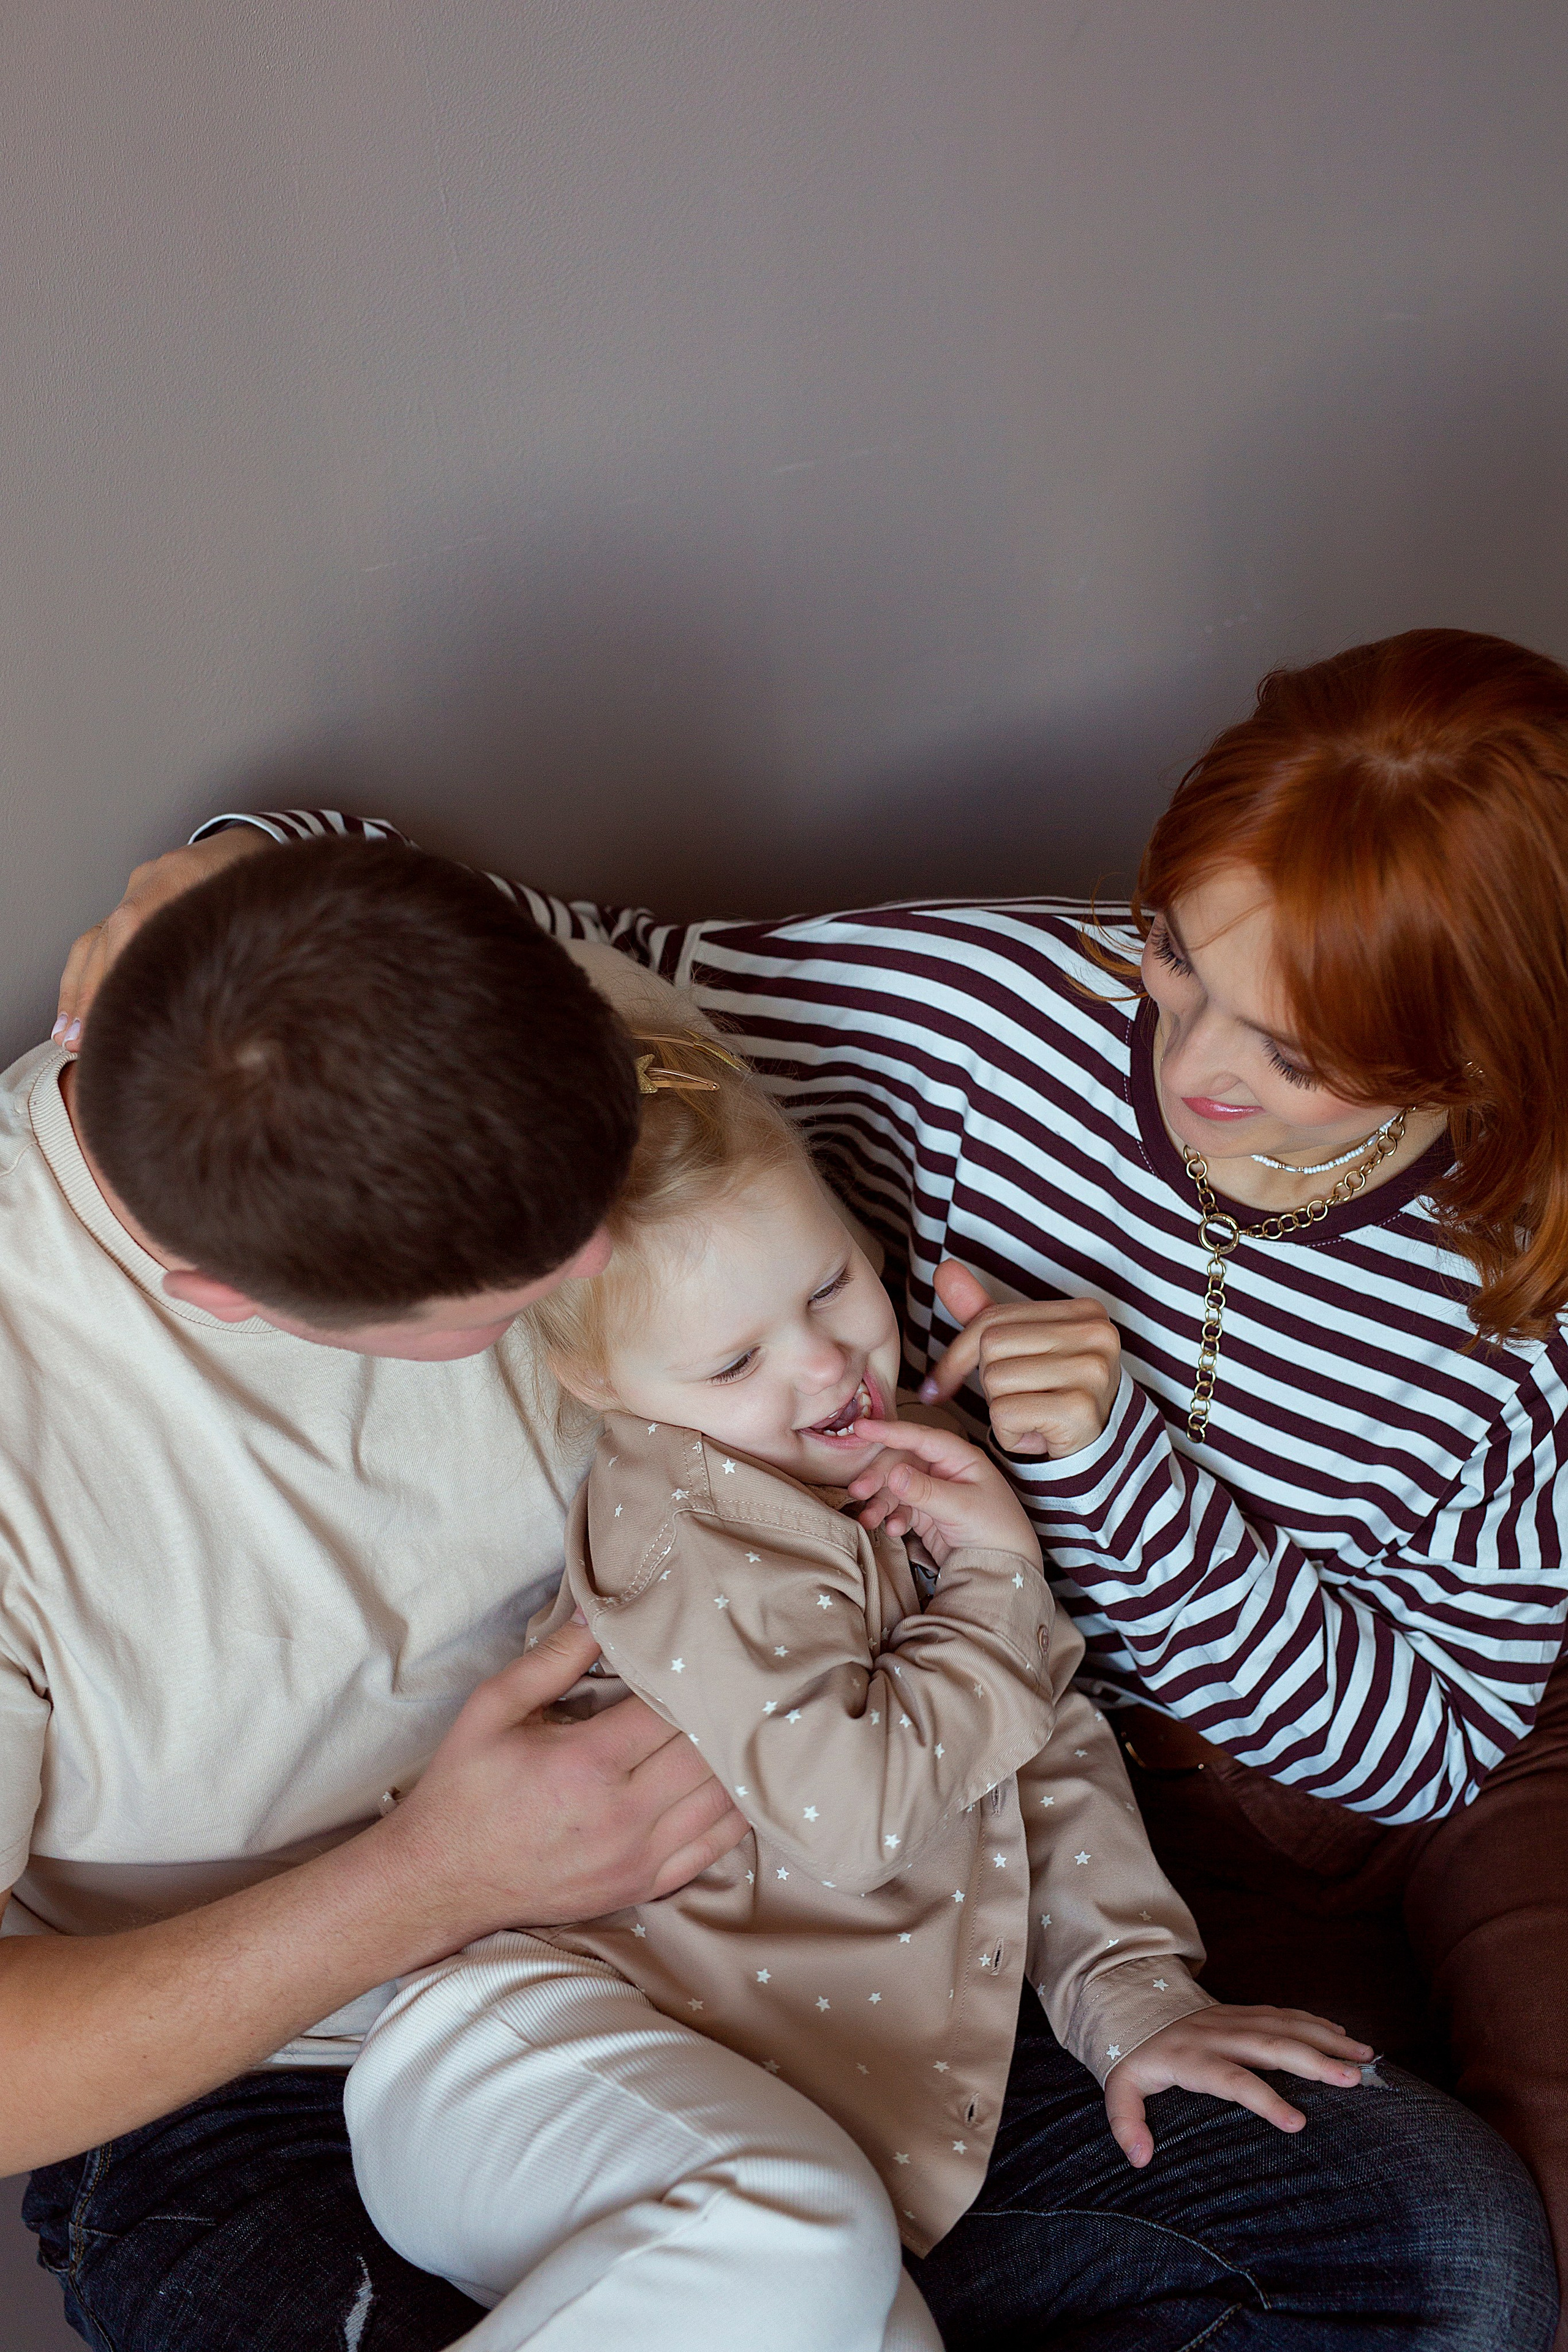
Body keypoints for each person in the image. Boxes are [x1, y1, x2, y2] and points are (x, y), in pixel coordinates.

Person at [28, 626, 1564, 2346]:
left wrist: (1130, 1952)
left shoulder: (612, 1151)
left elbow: (1128, 1742)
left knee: (1437, 2256)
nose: (1187, 1059)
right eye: (1170, 958)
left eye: (836, 1292)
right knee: (789, 2250)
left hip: (851, 1996)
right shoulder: (693, 1388)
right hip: (341, 2062)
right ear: (231, 1305)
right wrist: (426, 1884)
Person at [344, 1028, 1376, 2350]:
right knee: (802, 2222)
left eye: (831, 1287)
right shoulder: (680, 1520)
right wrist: (995, 1582)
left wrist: (1132, 1999)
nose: (825, 1367)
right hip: (522, 2064)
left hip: (765, 2118)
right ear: (600, 1386)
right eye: (731, 1364)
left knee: (874, 2316)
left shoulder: (919, 1465)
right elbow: (856, 1816)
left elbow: (1038, 1748)